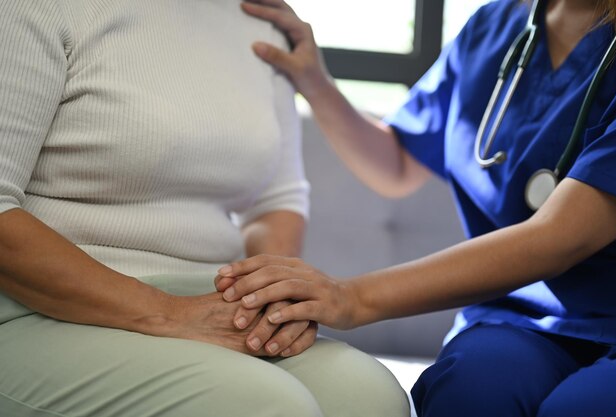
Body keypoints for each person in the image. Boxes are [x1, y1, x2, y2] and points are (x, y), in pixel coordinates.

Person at [0, 1, 410, 416]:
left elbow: (276, 200)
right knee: (266, 407)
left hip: (205, 298)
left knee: (371, 398)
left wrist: (268, 305)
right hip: (37, 307)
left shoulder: (262, 22)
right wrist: (168, 313)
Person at [218, 0, 616, 415]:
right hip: (516, 321)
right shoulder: (494, 26)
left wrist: (351, 297)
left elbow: (560, 238)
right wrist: (314, 81)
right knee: (470, 391)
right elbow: (396, 165)